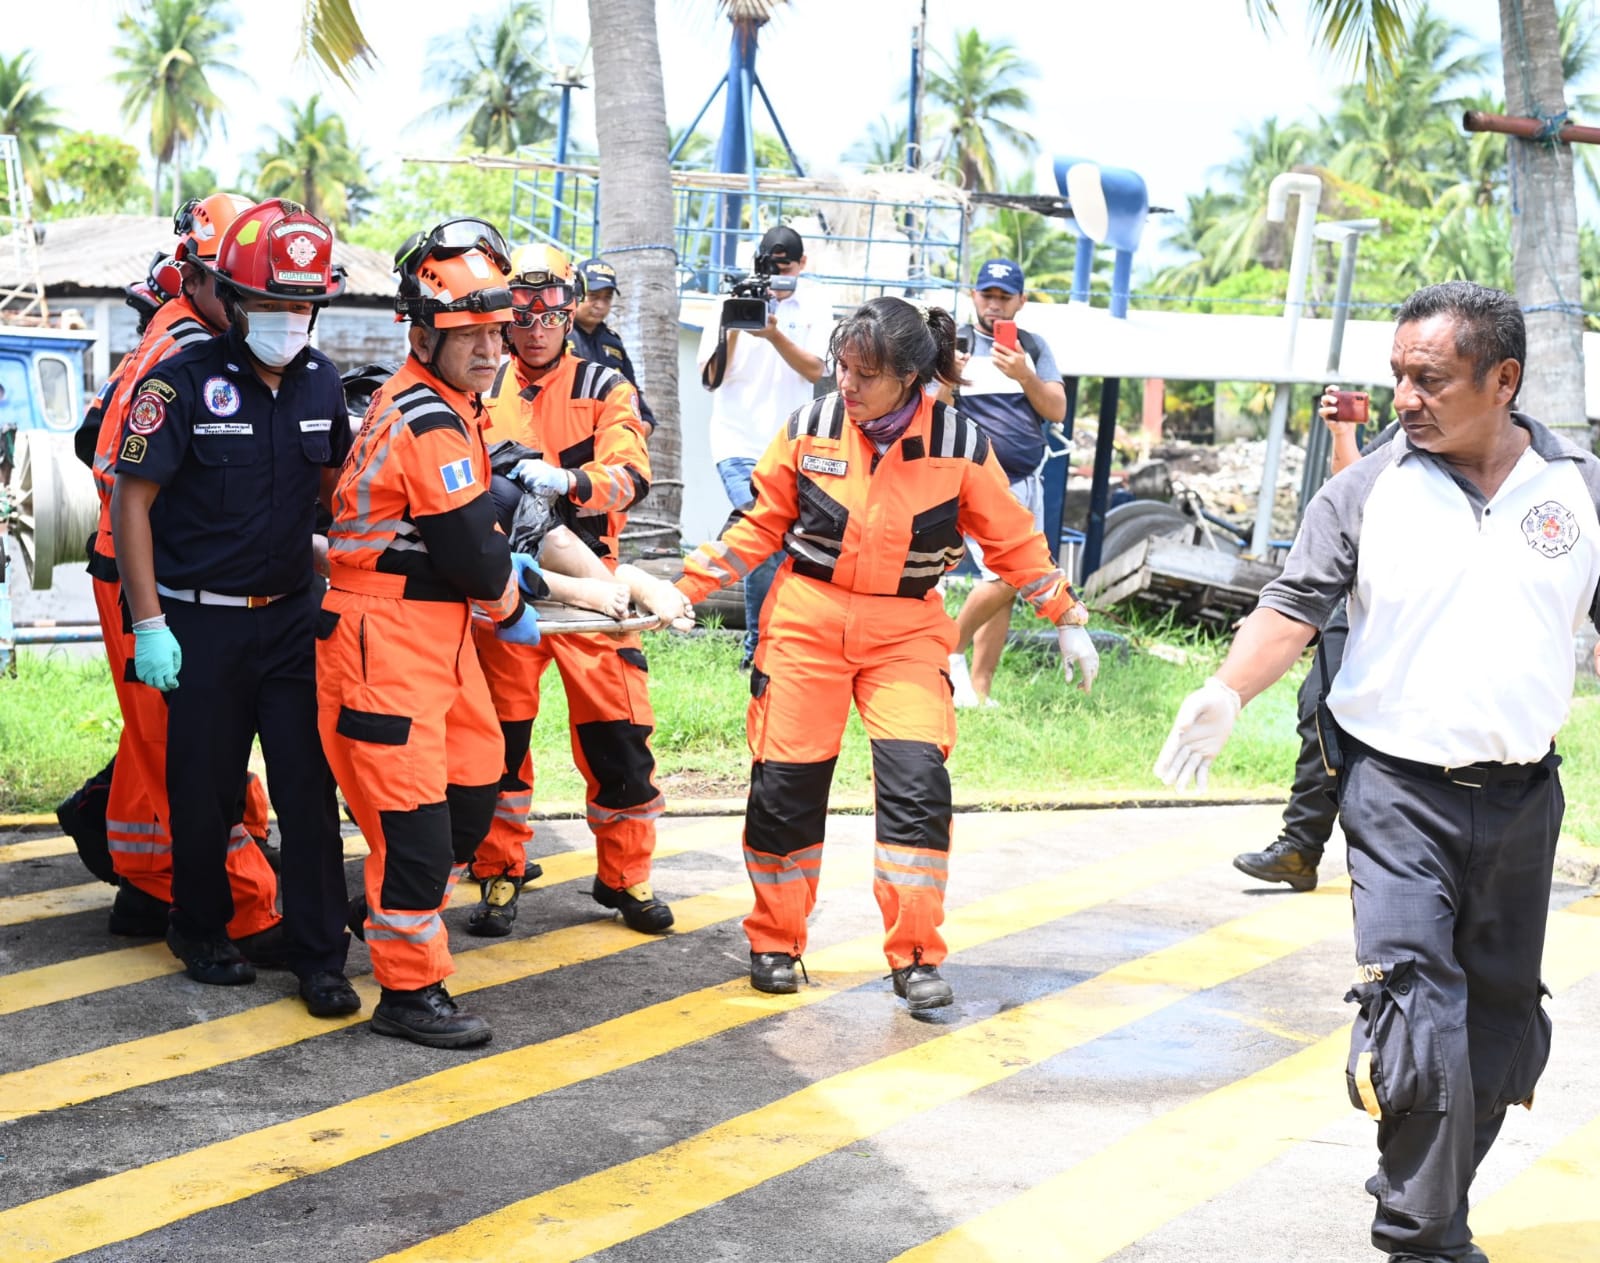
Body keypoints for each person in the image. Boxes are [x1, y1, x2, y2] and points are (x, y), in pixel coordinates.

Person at [1155, 281, 1600, 1263]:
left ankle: (1420, 1183)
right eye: (1397, 375)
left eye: (1428, 378)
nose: (1403, 396)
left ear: (1503, 380)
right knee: (1415, 1017)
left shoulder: (1578, 488)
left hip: (1526, 799)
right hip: (1397, 798)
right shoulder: (1364, 491)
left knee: (1502, 1038)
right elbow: (1291, 607)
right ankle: (1420, 1236)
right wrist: (1228, 689)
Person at [676, 296, 1100, 1011]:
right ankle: (775, 941)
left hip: (906, 632)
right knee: (783, 792)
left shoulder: (960, 446)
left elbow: (1013, 539)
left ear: (909, 377)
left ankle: (915, 957)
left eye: (864, 374)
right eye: (842, 366)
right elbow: (755, 525)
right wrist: (685, 588)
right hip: (806, 623)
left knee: (916, 794)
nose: (845, 384)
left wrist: (1066, 612)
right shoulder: (810, 427)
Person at [110, 197, 357, 1019]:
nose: (290, 320)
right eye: (274, 304)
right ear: (235, 299)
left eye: (303, 305)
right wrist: (149, 624)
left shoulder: (323, 381)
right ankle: (202, 929)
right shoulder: (181, 382)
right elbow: (131, 503)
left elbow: (333, 497)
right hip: (199, 623)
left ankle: (322, 956)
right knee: (205, 789)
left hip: (290, 618)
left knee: (307, 792)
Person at [320, 218, 543, 1049]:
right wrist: (519, 599)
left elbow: (479, 536)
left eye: (497, 332)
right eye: (469, 335)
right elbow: (475, 559)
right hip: (385, 638)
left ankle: (384, 909)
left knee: (474, 786)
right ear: (422, 331)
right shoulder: (426, 418)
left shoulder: (456, 406)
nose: (491, 350)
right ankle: (409, 991)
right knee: (414, 818)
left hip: (434, 636)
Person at [82, 193, 282, 941]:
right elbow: (114, 465)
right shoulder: (187, 352)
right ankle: (251, 909)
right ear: (198, 277)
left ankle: (145, 879)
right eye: (235, 286)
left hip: (136, 572)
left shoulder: (176, 334)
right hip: (149, 580)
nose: (249, 303)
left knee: (151, 741)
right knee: (190, 749)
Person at [471, 243, 677, 939]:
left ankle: (625, 874)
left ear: (569, 306)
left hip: (597, 583)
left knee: (620, 736)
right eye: (521, 310)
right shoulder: (480, 378)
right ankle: (499, 868)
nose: (534, 325)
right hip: (509, 587)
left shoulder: (604, 383)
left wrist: (572, 483)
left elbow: (632, 472)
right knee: (500, 736)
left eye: (550, 308)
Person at [1231, 393, 1381, 890]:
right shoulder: (1406, 439)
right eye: (1402, 378)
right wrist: (1343, 436)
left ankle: (1391, 853)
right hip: (1362, 600)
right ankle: (1300, 846)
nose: (1411, 393)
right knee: (1319, 708)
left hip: (1434, 619)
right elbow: (1350, 491)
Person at [696, 223, 832, 668]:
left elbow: (816, 371)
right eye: (770, 269)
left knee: (780, 540)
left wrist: (774, 334)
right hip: (736, 443)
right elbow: (711, 379)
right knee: (767, 532)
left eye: (785, 269)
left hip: (790, 446)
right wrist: (736, 321)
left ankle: (779, 643)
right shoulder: (728, 301)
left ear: (802, 265)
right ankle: (757, 653)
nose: (776, 279)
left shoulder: (814, 301)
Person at [943, 258, 1068, 708]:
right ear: (971, 295)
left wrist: (1024, 375)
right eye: (986, 295)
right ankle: (947, 652)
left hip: (1024, 481)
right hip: (972, 481)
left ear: (1021, 301)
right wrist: (946, 373)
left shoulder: (1031, 347)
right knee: (1011, 575)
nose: (994, 305)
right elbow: (926, 406)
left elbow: (1056, 410)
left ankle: (979, 689)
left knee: (1004, 584)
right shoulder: (950, 342)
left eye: (1003, 297)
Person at [567, 256, 657, 432]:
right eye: (593, 296)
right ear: (576, 293)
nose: (600, 305)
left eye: (607, 298)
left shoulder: (613, 343)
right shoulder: (557, 335)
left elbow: (642, 412)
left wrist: (635, 434)